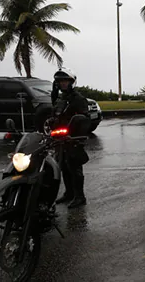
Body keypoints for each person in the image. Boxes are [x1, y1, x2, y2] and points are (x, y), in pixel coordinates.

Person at [51, 67, 90, 208]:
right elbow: (55, 115)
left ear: (71, 82)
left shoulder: (78, 99)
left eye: (65, 81)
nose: (63, 84)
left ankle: (80, 196)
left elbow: (85, 118)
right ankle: (69, 193)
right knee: (63, 167)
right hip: (60, 139)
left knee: (75, 168)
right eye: (60, 81)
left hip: (73, 139)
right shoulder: (60, 98)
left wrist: (75, 134)